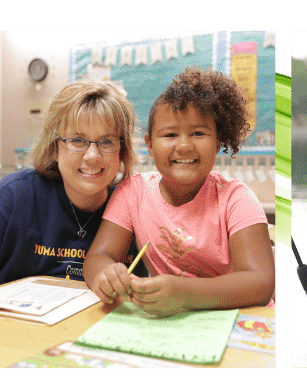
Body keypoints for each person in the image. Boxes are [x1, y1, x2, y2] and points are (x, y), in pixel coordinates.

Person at [83, 68, 273, 318]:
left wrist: (184, 294)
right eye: (170, 134)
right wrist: (106, 275)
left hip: (241, 322)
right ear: (150, 145)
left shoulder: (237, 198)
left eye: (198, 133)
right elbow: (99, 256)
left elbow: (260, 284)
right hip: (174, 323)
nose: (184, 146)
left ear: (217, 142)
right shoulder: (133, 191)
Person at [0, 80, 135, 312]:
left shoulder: (135, 204)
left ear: (122, 151)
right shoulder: (11, 198)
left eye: (107, 141)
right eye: (77, 140)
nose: (92, 155)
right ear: (54, 148)